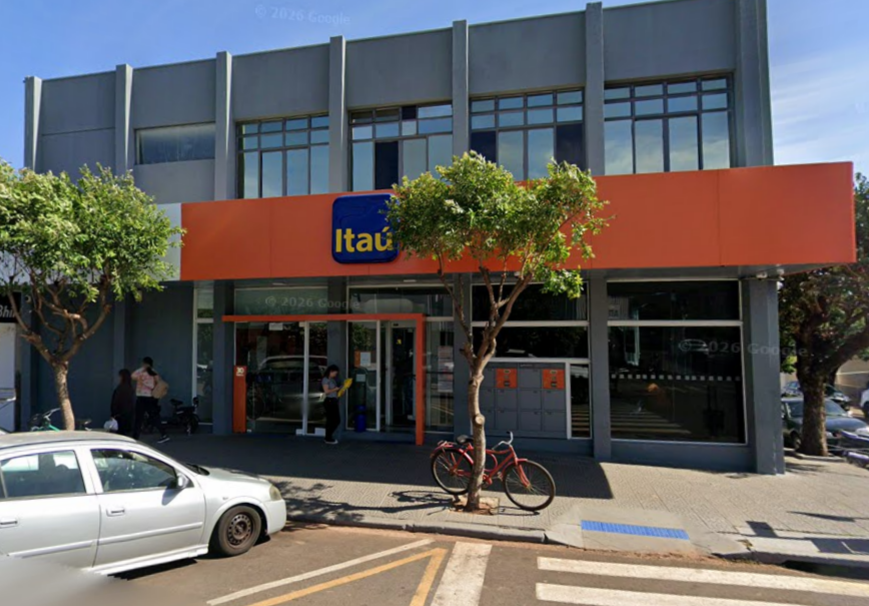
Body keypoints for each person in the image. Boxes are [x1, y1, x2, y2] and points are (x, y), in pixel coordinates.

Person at [132, 357, 169, 444]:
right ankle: (164, 434)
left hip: (142, 397)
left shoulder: (141, 372)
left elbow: (133, 376)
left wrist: (142, 370)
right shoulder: (153, 372)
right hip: (150, 397)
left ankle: (135, 438)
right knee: (153, 416)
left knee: (139, 418)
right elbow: (158, 382)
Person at [110, 369, 136, 436]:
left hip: (120, 415)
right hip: (128, 415)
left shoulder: (120, 388)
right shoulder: (130, 388)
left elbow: (116, 402)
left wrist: (113, 414)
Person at [321, 365, 342, 445]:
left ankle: (328, 436)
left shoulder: (332, 380)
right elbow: (326, 391)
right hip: (329, 401)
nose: (335, 375)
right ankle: (328, 437)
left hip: (334, 400)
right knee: (333, 420)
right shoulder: (325, 380)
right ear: (331, 371)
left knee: (335, 420)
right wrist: (335, 389)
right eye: (335, 373)